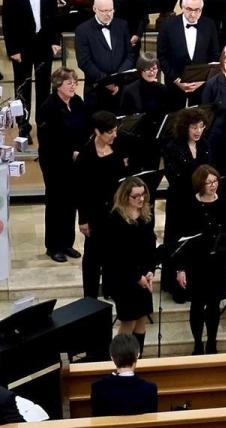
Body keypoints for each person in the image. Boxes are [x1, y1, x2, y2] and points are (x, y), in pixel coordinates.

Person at [174, 165, 226, 354]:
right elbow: (182, 241)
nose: (213, 185)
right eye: (208, 182)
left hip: (219, 262)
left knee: (213, 304)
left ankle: (212, 342)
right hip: (196, 263)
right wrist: (180, 268)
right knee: (197, 305)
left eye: (215, 181)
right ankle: (198, 343)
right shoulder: (189, 206)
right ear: (199, 184)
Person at [2, 0, 61, 142]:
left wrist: (55, 41)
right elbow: (8, 22)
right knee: (22, 88)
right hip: (22, 47)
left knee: (44, 87)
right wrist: (13, 50)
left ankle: (43, 125)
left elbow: (54, 16)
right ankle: (23, 127)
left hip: (44, 44)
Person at [76, 111, 129, 297]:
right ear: (97, 132)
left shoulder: (118, 147)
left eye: (115, 130)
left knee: (114, 253)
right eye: (110, 132)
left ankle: (110, 289)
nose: (115, 135)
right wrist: (83, 220)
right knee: (93, 256)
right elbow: (80, 190)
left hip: (116, 210)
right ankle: (90, 296)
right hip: (95, 212)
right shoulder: (86, 155)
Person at [161, 108, 212, 298]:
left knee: (196, 240)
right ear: (185, 127)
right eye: (194, 127)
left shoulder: (205, 144)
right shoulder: (172, 146)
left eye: (201, 126)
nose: (198, 131)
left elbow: (209, 171)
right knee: (177, 239)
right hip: (179, 201)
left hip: (199, 201)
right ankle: (175, 287)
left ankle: (194, 285)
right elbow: (173, 176)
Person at [36, 68, 86, 262]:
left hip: (75, 161)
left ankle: (67, 243)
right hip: (54, 162)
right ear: (58, 85)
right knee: (56, 203)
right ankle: (53, 246)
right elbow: (48, 140)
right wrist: (70, 152)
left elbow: (85, 129)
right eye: (69, 83)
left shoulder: (77, 102)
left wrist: (80, 150)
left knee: (71, 202)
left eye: (74, 82)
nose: (73, 86)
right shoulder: (48, 107)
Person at [102, 177, 156, 354]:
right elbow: (116, 256)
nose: (141, 199)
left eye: (143, 194)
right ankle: (119, 359)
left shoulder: (146, 215)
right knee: (129, 321)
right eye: (136, 196)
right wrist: (137, 277)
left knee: (141, 320)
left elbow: (150, 246)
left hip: (142, 274)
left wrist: (150, 271)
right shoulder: (115, 219)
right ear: (125, 197)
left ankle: (136, 358)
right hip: (123, 278)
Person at [156, 0, 220, 107]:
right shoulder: (167, 25)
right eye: (189, 9)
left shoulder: (209, 25)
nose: (193, 14)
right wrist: (176, 80)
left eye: (197, 10)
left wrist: (203, 81)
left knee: (201, 115)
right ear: (182, 7)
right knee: (174, 116)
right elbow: (162, 56)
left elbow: (214, 55)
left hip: (202, 85)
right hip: (174, 84)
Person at [74, 0, 135, 112]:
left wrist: (118, 78)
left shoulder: (122, 25)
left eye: (111, 10)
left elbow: (130, 55)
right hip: (96, 90)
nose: (108, 14)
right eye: (104, 11)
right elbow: (84, 61)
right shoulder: (83, 30)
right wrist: (106, 82)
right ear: (94, 9)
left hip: (121, 87)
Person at [119, 53, 169, 171]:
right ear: (141, 70)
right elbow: (124, 121)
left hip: (155, 141)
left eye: (154, 68)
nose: (152, 72)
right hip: (136, 142)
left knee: (153, 172)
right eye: (148, 69)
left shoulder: (162, 89)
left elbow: (166, 116)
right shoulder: (129, 90)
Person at [90, 334, 158, 416]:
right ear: (137, 355)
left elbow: (96, 419)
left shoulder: (98, 388)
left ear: (112, 357)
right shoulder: (150, 389)